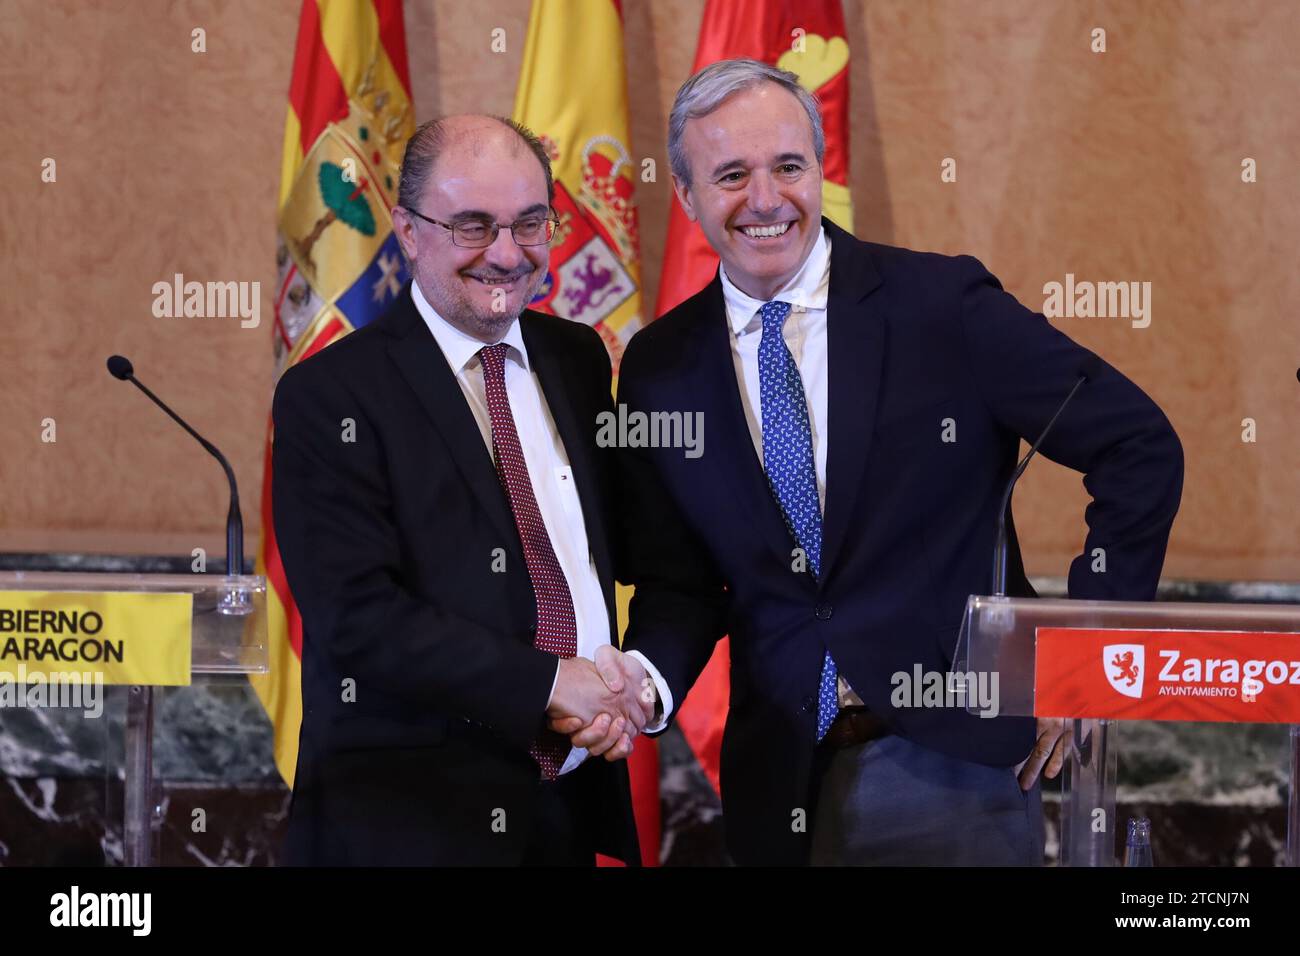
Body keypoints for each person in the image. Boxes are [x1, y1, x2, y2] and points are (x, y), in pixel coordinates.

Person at [556, 59, 1184, 865]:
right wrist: (644, 682)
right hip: (775, 784)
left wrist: (1078, 661)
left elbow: (1137, 445)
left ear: (820, 171)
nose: (766, 199)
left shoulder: (941, 307)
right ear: (686, 196)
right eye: (731, 175)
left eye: (788, 166)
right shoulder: (657, 366)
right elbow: (681, 584)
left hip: (953, 775)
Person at [272, 114, 651, 866]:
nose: (507, 255)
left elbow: (616, 554)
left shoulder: (578, 360)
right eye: (473, 227)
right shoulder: (331, 395)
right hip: (405, 826)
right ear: (409, 232)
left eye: (529, 224)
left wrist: (623, 685)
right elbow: (357, 617)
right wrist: (549, 684)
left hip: (565, 808)